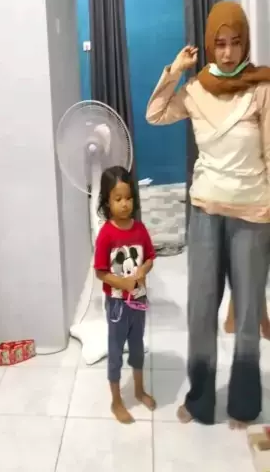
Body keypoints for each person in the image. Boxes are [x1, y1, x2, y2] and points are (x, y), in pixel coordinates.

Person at [146, 0, 270, 428]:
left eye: (235, 43)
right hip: (204, 212)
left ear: (245, 43)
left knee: (248, 312)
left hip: (253, 214)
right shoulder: (196, 90)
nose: (228, 53)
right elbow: (155, 113)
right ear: (209, 45)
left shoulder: (262, 87)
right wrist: (175, 71)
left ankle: (244, 404)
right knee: (200, 310)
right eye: (220, 44)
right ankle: (200, 399)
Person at [94, 166, 156, 424]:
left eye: (128, 198)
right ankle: (116, 401)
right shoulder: (106, 234)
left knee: (138, 347)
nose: (124, 204)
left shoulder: (139, 229)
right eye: (118, 199)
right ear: (107, 201)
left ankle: (139, 390)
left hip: (138, 301)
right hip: (117, 305)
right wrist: (121, 282)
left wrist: (143, 270)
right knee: (116, 351)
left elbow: (150, 257)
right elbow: (100, 272)